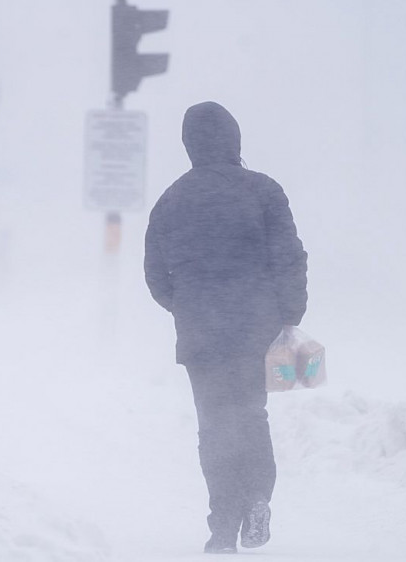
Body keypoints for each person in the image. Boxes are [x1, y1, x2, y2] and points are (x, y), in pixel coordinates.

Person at [144, 101, 308, 554]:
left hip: (201, 335)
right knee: (252, 416)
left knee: (215, 426)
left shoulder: (170, 200)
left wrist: (187, 307)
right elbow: (289, 258)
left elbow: (156, 277)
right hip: (257, 329)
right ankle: (257, 498)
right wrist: (289, 314)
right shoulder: (263, 191)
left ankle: (221, 527)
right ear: (235, 139)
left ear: (189, 145)